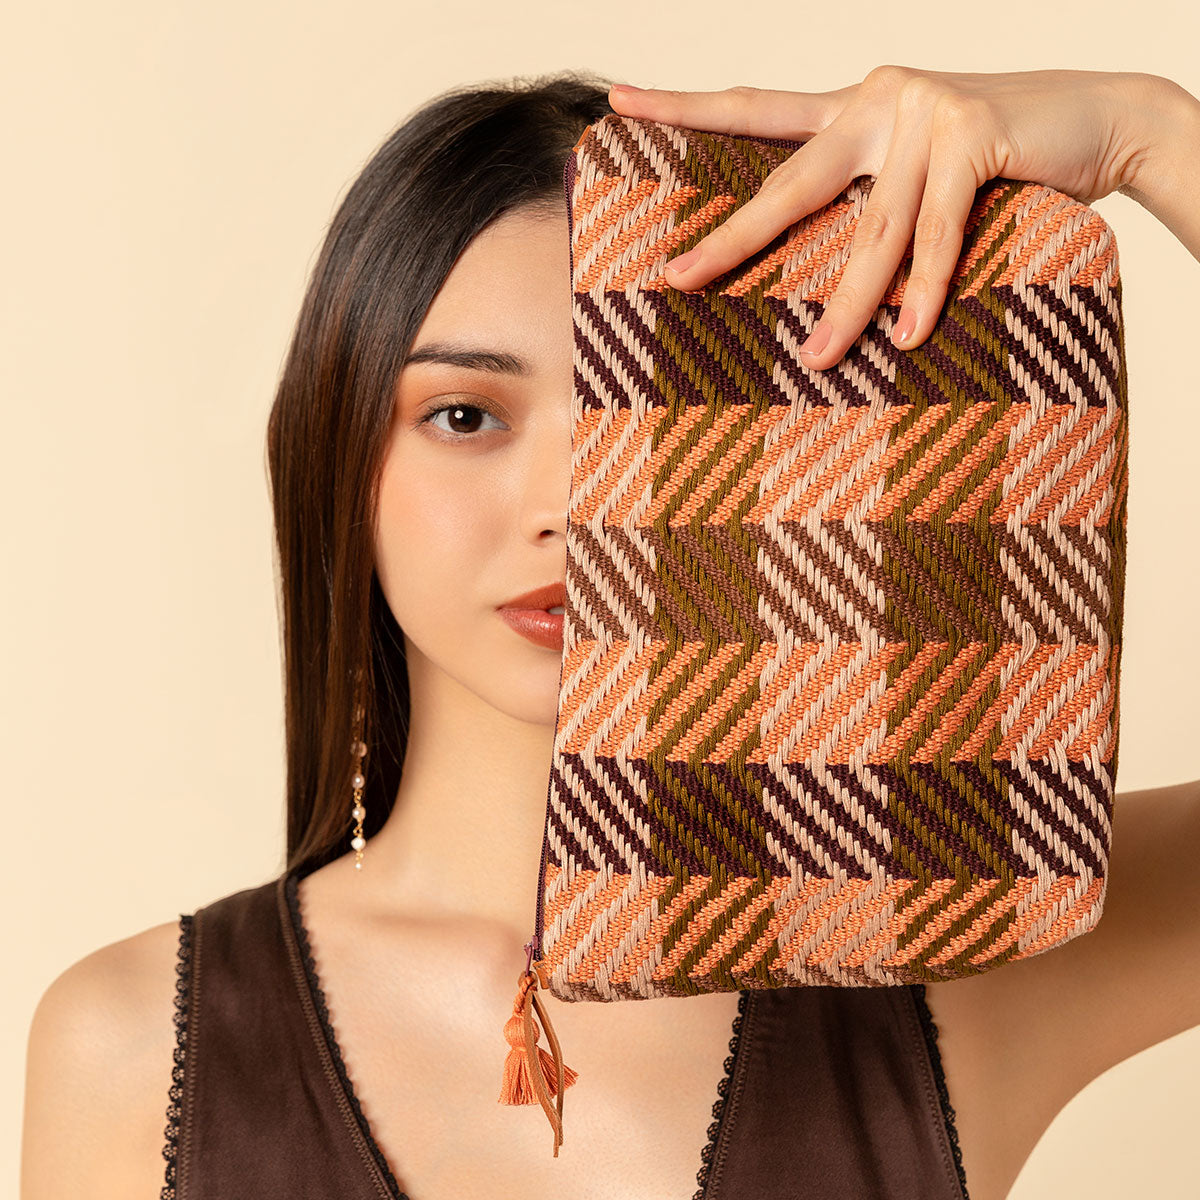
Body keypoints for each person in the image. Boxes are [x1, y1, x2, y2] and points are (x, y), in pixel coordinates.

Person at [19, 65, 1200, 1200]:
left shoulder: (961, 948)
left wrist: (1147, 131)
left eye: (637, 406)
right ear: (340, 455)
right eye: (466, 415)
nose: (575, 502)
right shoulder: (136, 1050)